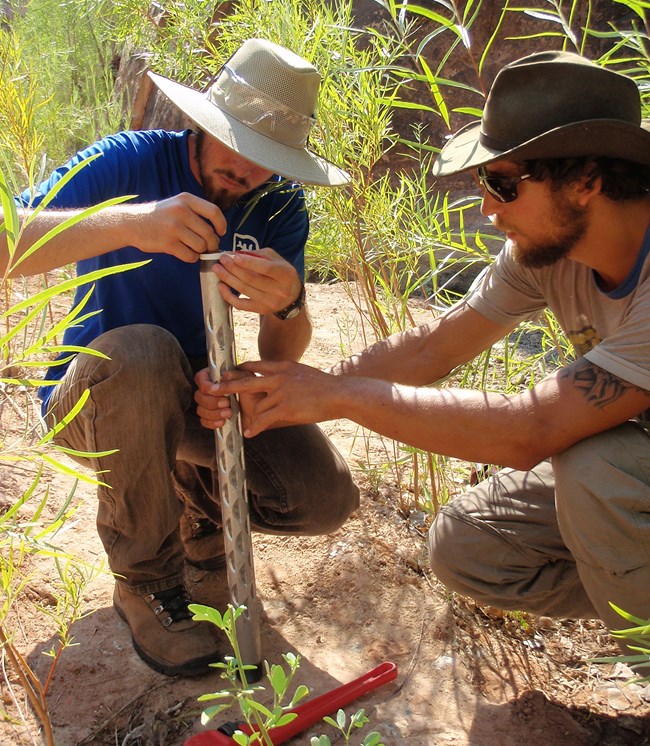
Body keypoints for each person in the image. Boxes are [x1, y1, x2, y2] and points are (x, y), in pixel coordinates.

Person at [199, 51, 650, 664]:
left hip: (622, 477)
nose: (488, 210)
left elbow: (530, 430)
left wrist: (336, 397)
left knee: (597, 471)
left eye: (504, 184)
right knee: (470, 545)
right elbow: (437, 345)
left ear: (586, 181)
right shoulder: (548, 256)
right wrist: (298, 386)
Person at [2, 38, 359, 677]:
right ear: (205, 121)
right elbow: (8, 246)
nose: (249, 172)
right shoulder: (128, 163)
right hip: (95, 397)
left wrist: (288, 305)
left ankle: (198, 522)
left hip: (199, 397)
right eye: (239, 146)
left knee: (321, 495)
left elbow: (284, 353)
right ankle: (145, 584)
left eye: (268, 159)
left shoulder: (278, 207)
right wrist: (130, 224)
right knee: (143, 351)